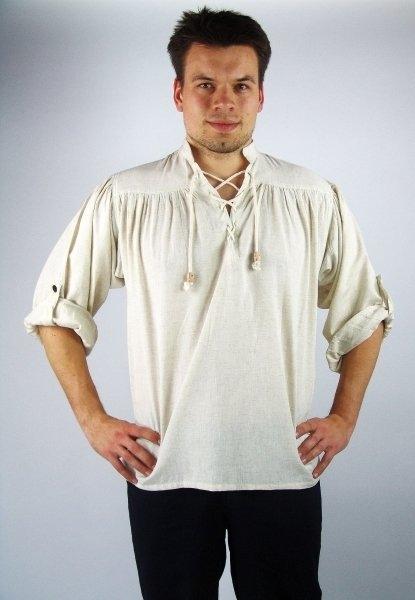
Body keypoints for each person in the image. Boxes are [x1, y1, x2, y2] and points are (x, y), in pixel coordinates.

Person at [23, 6, 394, 600]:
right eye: (205, 84)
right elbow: (55, 309)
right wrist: (93, 421)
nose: (224, 101)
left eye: (240, 85)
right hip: (166, 470)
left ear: (261, 95)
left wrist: (344, 417)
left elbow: (365, 313)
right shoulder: (128, 196)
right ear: (178, 93)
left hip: (280, 469)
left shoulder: (312, 197)